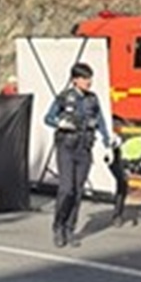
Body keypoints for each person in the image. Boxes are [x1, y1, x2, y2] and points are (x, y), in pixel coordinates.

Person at [45, 62, 117, 248]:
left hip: (84, 148)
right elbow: (48, 117)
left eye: (90, 78)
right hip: (67, 147)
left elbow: (100, 121)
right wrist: (59, 123)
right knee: (66, 189)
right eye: (85, 78)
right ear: (75, 80)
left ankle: (70, 230)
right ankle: (58, 226)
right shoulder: (64, 97)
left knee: (77, 192)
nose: (89, 81)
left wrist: (108, 141)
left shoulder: (92, 99)